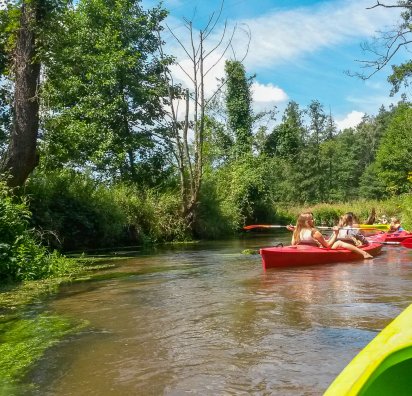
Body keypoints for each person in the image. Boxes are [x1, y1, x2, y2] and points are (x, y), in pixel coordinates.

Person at [291, 212, 373, 259]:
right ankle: (363, 253)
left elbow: (293, 244)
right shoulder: (315, 232)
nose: (314, 220)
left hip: (306, 249)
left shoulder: (297, 231)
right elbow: (328, 246)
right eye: (312, 219)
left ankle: (363, 253)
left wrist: (294, 231)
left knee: (327, 241)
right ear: (307, 222)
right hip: (314, 250)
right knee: (339, 242)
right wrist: (336, 233)